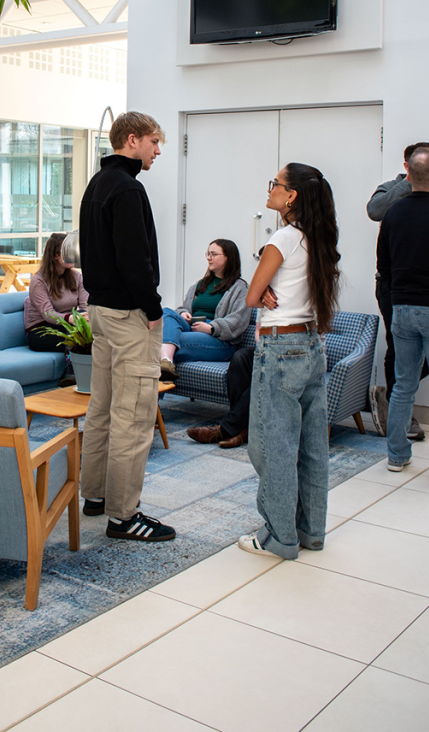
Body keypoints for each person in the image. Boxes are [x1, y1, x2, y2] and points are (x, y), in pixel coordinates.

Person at [79, 111, 175, 543]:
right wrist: (153, 308)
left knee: (101, 409)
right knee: (133, 416)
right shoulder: (128, 188)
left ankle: (95, 496)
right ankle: (123, 516)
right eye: (155, 141)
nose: (158, 150)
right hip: (128, 315)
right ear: (132, 140)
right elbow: (134, 260)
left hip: (99, 311)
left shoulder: (96, 185)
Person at [238, 163, 340, 560]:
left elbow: (251, 295)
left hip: (280, 349)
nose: (270, 190)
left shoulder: (282, 236)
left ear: (292, 196)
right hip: (312, 346)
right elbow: (271, 288)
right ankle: (310, 531)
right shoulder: (321, 238)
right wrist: (265, 289)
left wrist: (261, 289)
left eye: (275, 185)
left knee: (270, 446)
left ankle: (279, 537)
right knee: (313, 446)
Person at [376, 148, 429, 484]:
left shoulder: (394, 212)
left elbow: (383, 266)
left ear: (409, 177)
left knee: (403, 385)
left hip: (401, 307)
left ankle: (396, 457)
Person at [159, 239, 250, 381]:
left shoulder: (240, 288)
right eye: (208, 254)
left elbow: (238, 320)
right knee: (167, 312)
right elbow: (183, 307)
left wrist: (211, 328)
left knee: (167, 341)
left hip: (220, 340)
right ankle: (167, 361)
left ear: (228, 257)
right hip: (191, 327)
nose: (209, 258)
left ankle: (153, 399)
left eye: (214, 254)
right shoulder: (201, 284)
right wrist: (183, 313)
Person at [24, 232, 89, 352]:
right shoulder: (38, 281)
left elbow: (85, 305)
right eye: (68, 252)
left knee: (96, 337)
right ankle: (71, 369)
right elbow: (48, 314)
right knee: (74, 340)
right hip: (41, 330)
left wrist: (84, 317)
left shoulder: (77, 277)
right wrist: (71, 318)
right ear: (55, 255)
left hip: (69, 325)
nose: (73, 255)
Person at [186, 345, 255, 448]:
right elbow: (258, 332)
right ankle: (241, 430)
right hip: (266, 348)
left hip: (284, 355)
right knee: (240, 357)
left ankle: (225, 430)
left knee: (265, 377)